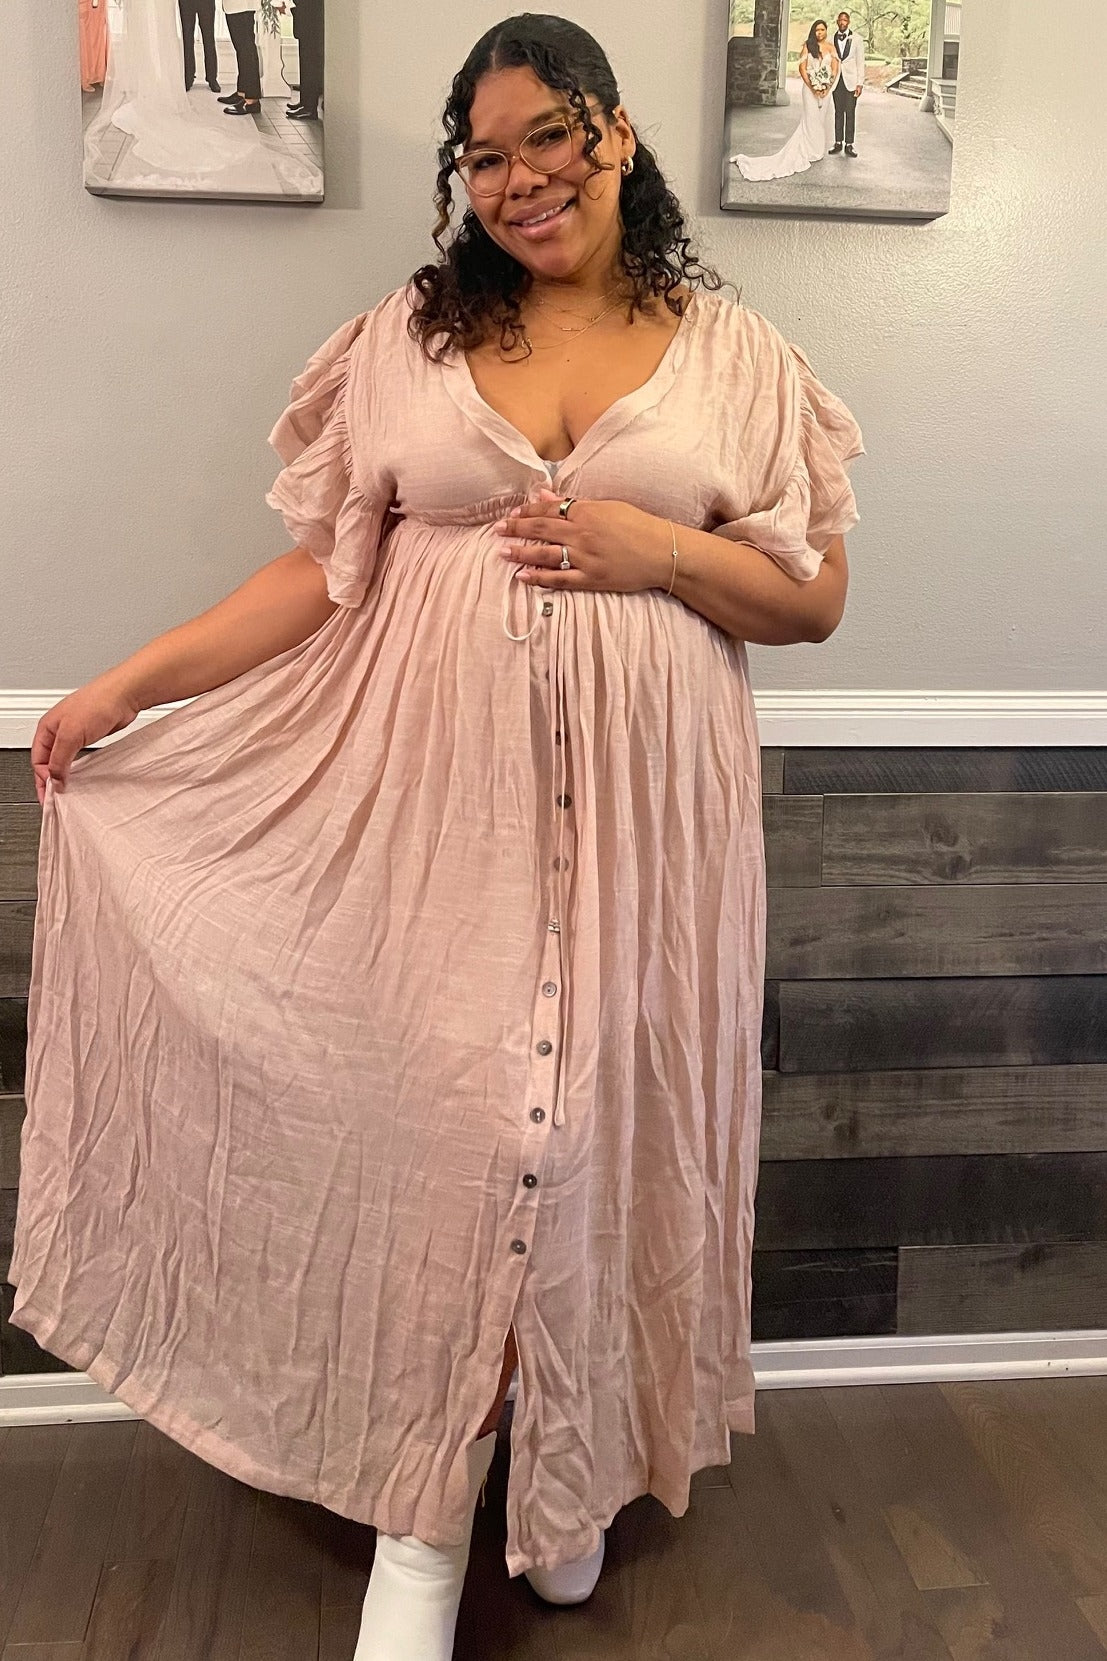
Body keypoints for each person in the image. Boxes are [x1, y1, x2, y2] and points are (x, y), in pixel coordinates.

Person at [13, 13, 862, 1660]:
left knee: (595, 1141)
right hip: (425, 822)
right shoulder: (406, 338)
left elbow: (810, 597)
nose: (518, 178)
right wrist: (126, 686)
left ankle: (565, 1474)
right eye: (483, 156)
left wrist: (647, 549)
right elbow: (318, 571)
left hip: (650, 834)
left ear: (614, 133)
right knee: (464, 1145)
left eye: (547, 136)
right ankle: (427, 1514)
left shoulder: (737, 356)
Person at [731, 18, 838, 182]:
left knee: (820, 120)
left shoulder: (831, 47)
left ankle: (817, 150)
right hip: (810, 89)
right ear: (813, 31)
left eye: (822, 30)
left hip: (825, 91)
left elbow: (834, 69)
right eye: (817, 30)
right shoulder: (808, 46)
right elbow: (802, 69)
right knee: (811, 118)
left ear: (826, 31)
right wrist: (813, 87)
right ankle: (809, 150)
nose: (820, 33)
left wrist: (826, 87)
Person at [830, 9, 865, 156]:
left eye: (845, 20)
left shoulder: (857, 39)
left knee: (850, 112)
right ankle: (838, 142)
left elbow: (860, 62)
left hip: (851, 81)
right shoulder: (831, 39)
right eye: (840, 20)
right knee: (838, 112)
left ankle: (849, 144)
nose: (842, 22)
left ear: (848, 22)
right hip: (837, 81)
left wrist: (860, 83)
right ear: (837, 22)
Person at [218, 0, 261, 115]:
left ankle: (252, 100)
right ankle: (242, 93)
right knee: (242, 50)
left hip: (242, 6)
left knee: (246, 50)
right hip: (236, 6)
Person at [287, 0, 323, 120]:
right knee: (305, 58)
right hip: (306, 12)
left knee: (310, 61)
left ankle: (309, 107)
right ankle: (305, 102)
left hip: (310, 14)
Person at [178, 0, 220, 93]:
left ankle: (212, 79)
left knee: (209, 38)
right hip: (186, 2)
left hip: (206, 2)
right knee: (187, 39)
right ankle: (188, 77)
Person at [78, 0, 109, 91]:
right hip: (85, 6)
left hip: (98, 5)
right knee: (86, 40)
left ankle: (99, 74)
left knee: (100, 38)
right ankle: (86, 78)